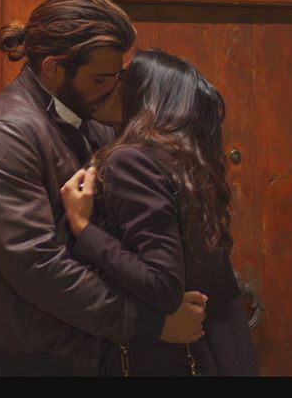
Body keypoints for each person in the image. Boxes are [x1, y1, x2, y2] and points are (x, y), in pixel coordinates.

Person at [0, 0, 207, 376]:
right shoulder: (4, 137)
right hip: (41, 362)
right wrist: (148, 322)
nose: (113, 88)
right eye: (100, 78)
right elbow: (38, 266)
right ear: (53, 68)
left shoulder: (89, 115)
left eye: (117, 76)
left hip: (102, 351)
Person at [61, 48, 259, 376]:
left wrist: (84, 229)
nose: (109, 85)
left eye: (123, 78)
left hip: (172, 359)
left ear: (146, 95)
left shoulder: (130, 160)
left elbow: (163, 284)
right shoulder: (184, 164)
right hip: (222, 352)